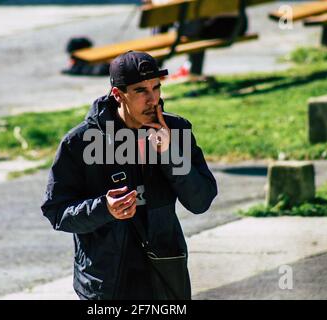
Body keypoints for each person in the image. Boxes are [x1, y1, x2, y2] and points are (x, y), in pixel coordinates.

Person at [41, 51, 218, 300]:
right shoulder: (80, 142)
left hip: (164, 273)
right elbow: (56, 211)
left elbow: (200, 202)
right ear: (118, 94)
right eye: (140, 91)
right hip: (106, 283)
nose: (153, 99)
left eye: (156, 88)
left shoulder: (176, 131)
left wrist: (169, 154)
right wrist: (104, 208)